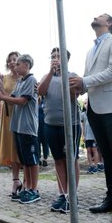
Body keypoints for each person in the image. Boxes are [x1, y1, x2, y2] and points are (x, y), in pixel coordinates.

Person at [69, 13, 112, 220]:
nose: (95, 16)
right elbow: (88, 81)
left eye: (101, 16)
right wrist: (78, 88)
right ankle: (111, 196)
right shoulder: (90, 51)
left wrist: (84, 81)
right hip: (94, 108)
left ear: (109, 23)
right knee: (106, 153)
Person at [37, 47, 81, 213]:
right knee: (58, 160)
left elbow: (74, 95)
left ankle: (72, 194)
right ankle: (62, 194)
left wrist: (62, 75)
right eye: (53, 56)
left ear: (66, 59)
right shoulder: (46, 76)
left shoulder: (72, 76)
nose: (55, 58)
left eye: (58, 56)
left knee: (72, 159)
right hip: (50, 124)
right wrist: (51, 72)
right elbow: (40, 92)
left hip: (71, 125)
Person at [0, 54, 40, 204]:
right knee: (25, 160)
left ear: (27, 65)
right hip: (18, 126)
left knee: (32, 160)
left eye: (19, 63)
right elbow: (10, 97)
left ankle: (34, 189)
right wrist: (0, 86)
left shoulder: (31, 80)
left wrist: (3, 97)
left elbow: (21, 101)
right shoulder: (20, 81)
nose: (15, 66)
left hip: (27, 126)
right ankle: (27, 188)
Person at [0, 51, 24, 197]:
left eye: (15, 59)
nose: (12, 62)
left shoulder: (24, 78)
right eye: (10, 60)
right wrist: (0, 86)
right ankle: (15, 180)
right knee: (12, 150)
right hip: (7, 115)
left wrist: (3, 95)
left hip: (21, 115)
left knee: (22, 149)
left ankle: (28, 182)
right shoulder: (5, 78)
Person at [81, 99, 101, 174]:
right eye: (85, 103)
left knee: (94, 150)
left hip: (94, 136)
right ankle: (91, 166)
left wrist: (97, 136)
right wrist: (83, 135)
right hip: (87, 136)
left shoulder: (95, 113)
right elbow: (82, 126)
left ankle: (96, 166)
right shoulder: (83, 114)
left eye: (88, 103)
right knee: (88, 150)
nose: (86, 105)